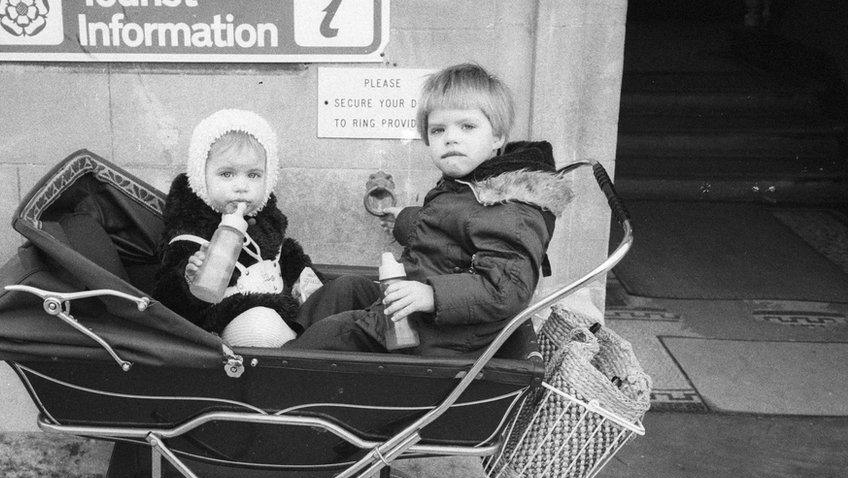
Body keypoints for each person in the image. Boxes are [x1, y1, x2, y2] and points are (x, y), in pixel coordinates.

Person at [288, 63, 574, 356]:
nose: (451, 137)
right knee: (345, 288)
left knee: (338, 332)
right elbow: (445, 228)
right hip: (425, 308)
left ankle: (277, 368)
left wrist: (432, 295)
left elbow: (506, 287)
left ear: (497, 137)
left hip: (446, 335)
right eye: (438, 130)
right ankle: (288, 339)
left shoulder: (510, 207)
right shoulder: (470, 186)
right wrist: (402, 219)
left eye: (467, 126)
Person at [151, 109, 320, 347]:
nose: (241, 186)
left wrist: (305, 281)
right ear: (202, 176)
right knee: (261, 327)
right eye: (227, 174)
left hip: (283, 309)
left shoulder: (266, 224)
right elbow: (166, 300)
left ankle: (317, 349)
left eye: (253, 175)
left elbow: (286, 258)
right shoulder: (190, 234)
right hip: (229, 319)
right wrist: (188, 278)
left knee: (338, 292)